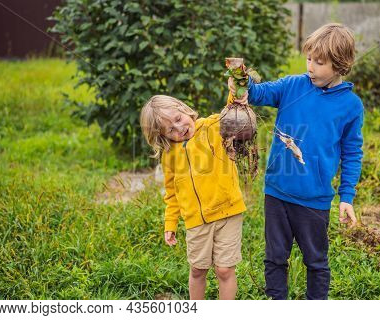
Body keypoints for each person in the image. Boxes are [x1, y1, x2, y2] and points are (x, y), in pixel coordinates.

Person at [229, 23, 364, 300]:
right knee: (275, 258)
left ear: (340, 64)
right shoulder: (292, 86)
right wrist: (239, 79)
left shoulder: (350, 106)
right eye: (309, 59)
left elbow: (352, 153)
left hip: (315, 201)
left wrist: (347, 196)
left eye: (319, 62)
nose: (311, 66)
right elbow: (258, 93)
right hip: (277, 192)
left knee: (316, 261)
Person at [140, 95, 246, 299]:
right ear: (163, 136)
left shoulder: (211, 126)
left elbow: (231, 108)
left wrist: (235, 86)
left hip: (228, 212)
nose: (179, 128)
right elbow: (172, 194)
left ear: (185, 109)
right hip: (196, 222)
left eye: (178, 119)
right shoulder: (169, 154)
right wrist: (170, 223)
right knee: (198, 270)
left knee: (224, 270)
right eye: (170, 129)